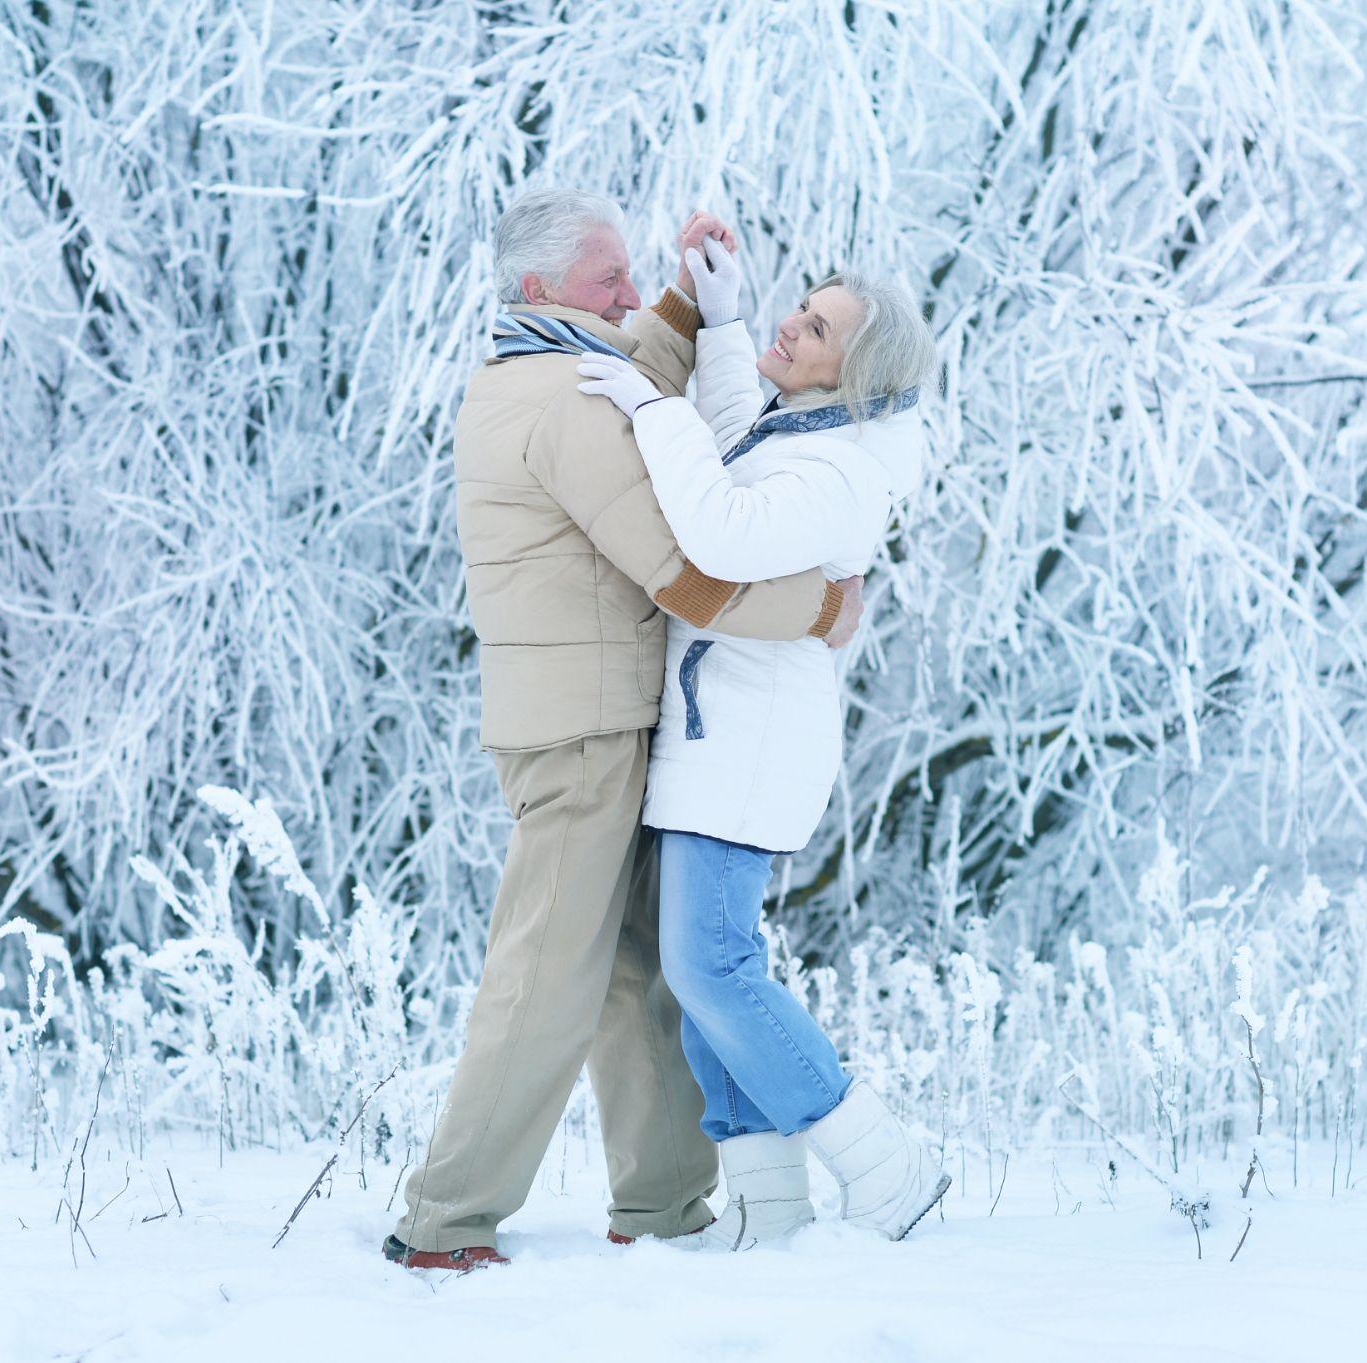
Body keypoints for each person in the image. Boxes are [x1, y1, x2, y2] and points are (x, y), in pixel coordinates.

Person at [383, 189, 866, 1271]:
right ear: (539, 291)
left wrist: (690, 305)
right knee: (547, 977)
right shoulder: (562, 400)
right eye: (608, 277)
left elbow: (627, 367)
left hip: (595, 717)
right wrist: (826, 608)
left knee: (638, 967)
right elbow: (690, 576)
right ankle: (445, 1218)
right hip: (583, 731)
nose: (625, 290)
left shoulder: (537, 369)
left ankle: (662, 1201)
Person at [574, 233, 949, 1247]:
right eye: (801, 307)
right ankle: (767, 1202)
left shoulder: (840, 471)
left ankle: (885, 1166)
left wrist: (651, 409)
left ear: (851, 372)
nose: (796, 322)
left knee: (710, 969)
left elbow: (722, 533)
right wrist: (727, 318)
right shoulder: (806, 434)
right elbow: (739, 437)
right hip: (714, 734)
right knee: (705, 979)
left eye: (814, 326)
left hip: (746, 746)